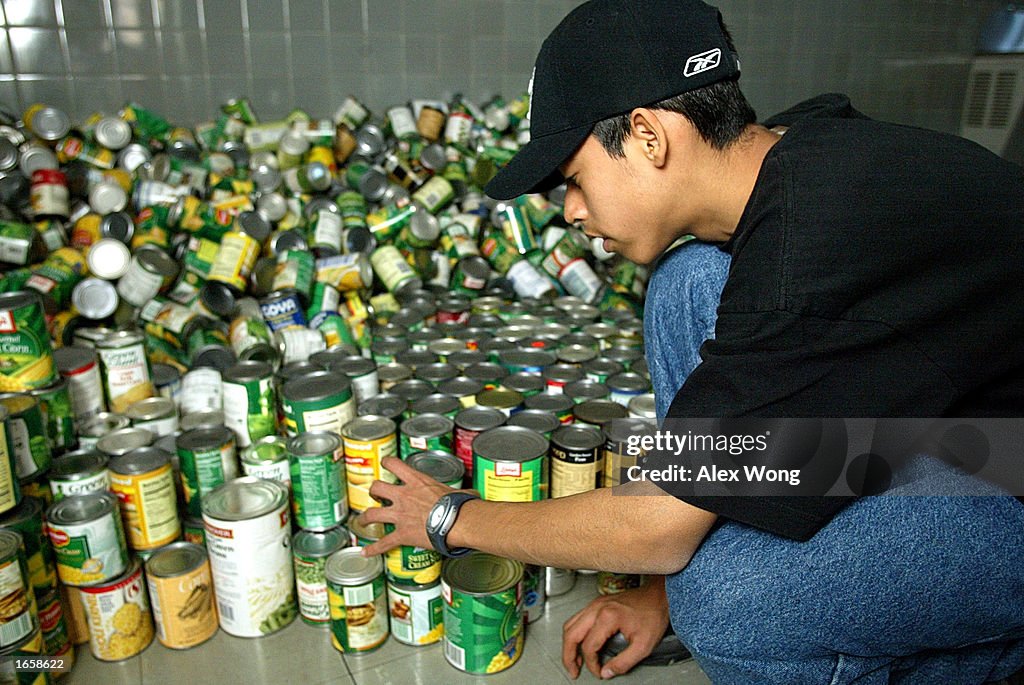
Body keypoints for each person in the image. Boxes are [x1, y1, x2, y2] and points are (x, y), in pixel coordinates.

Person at [359, 1, 1024, 682]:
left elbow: (652, 528)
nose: (571, 212)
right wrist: (657, 585)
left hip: (1006, 493)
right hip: (957, 426)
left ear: (648, 136)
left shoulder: (809, 246)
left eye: (573, 179)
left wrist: (454, 517)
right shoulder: (793, 152)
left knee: (724, 602)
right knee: (690, 279)